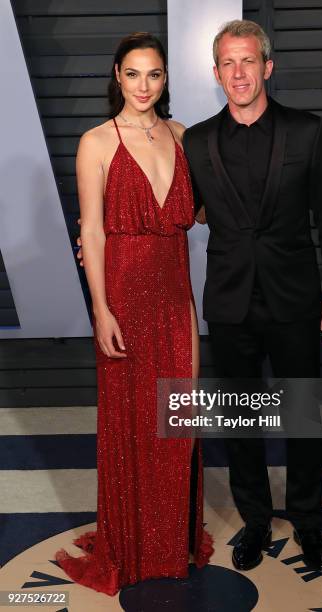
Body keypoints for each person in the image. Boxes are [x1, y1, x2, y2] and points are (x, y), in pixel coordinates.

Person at [181, 20, 322, 572]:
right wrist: (101, 243)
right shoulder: (198, 141)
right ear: (215, 73)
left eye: (248, 61)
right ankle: (255, 519)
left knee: (302, 415)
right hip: (230, 301)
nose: (238, 73)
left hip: (296, 296)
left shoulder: (306, 131)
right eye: (228, 64)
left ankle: (307, 522)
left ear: (267, 67)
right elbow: (175, 214)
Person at [55, 32, 213, 596]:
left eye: (155, 74)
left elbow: (194, 210)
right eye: (133, 74)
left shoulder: (184, 137)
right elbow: (92, 231)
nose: (144, 85)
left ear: (165, 78)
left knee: (177, 416)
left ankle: (173, 543)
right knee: (129, 421)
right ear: (116, 77)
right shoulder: (96, 142)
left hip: (176, 295)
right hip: (122, 294)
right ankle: (133, 546)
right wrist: (99, 308)